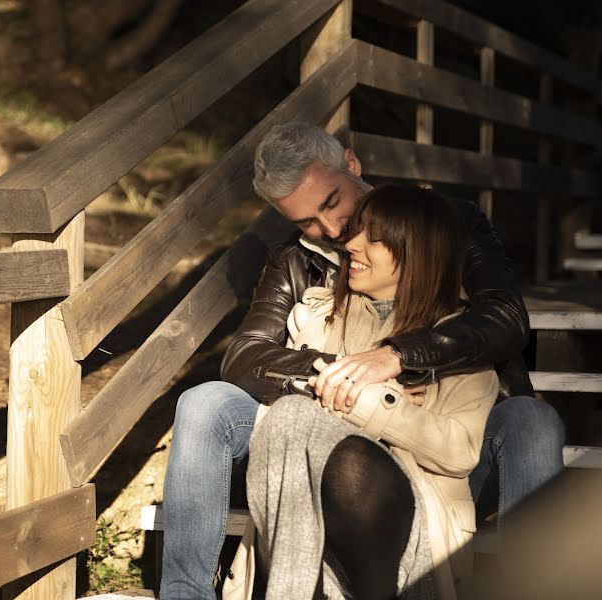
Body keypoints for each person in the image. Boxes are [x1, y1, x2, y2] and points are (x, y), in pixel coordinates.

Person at [159, 122, 564, 600]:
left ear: (352, 165)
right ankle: (184, 595)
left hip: (442, 444)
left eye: (331, 202)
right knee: (206, 402)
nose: (332, 231)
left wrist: (399, 356)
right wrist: (346, 375)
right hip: (330, 431)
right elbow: (245, 355)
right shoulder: (293, 261)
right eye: (306, 221)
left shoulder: (448, 224)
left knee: (532, 421)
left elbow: (504, 319)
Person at [236, 184, 498, 600]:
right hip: (307, 530)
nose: (350, 243)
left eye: (372, 238)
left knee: (350, 456)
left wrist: (368, 400)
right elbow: (275, 423)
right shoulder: (319, 315)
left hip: (410, 541)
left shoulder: (457, 339)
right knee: (286, 416)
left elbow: (460, 451)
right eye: (356, 231)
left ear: (417, 253)